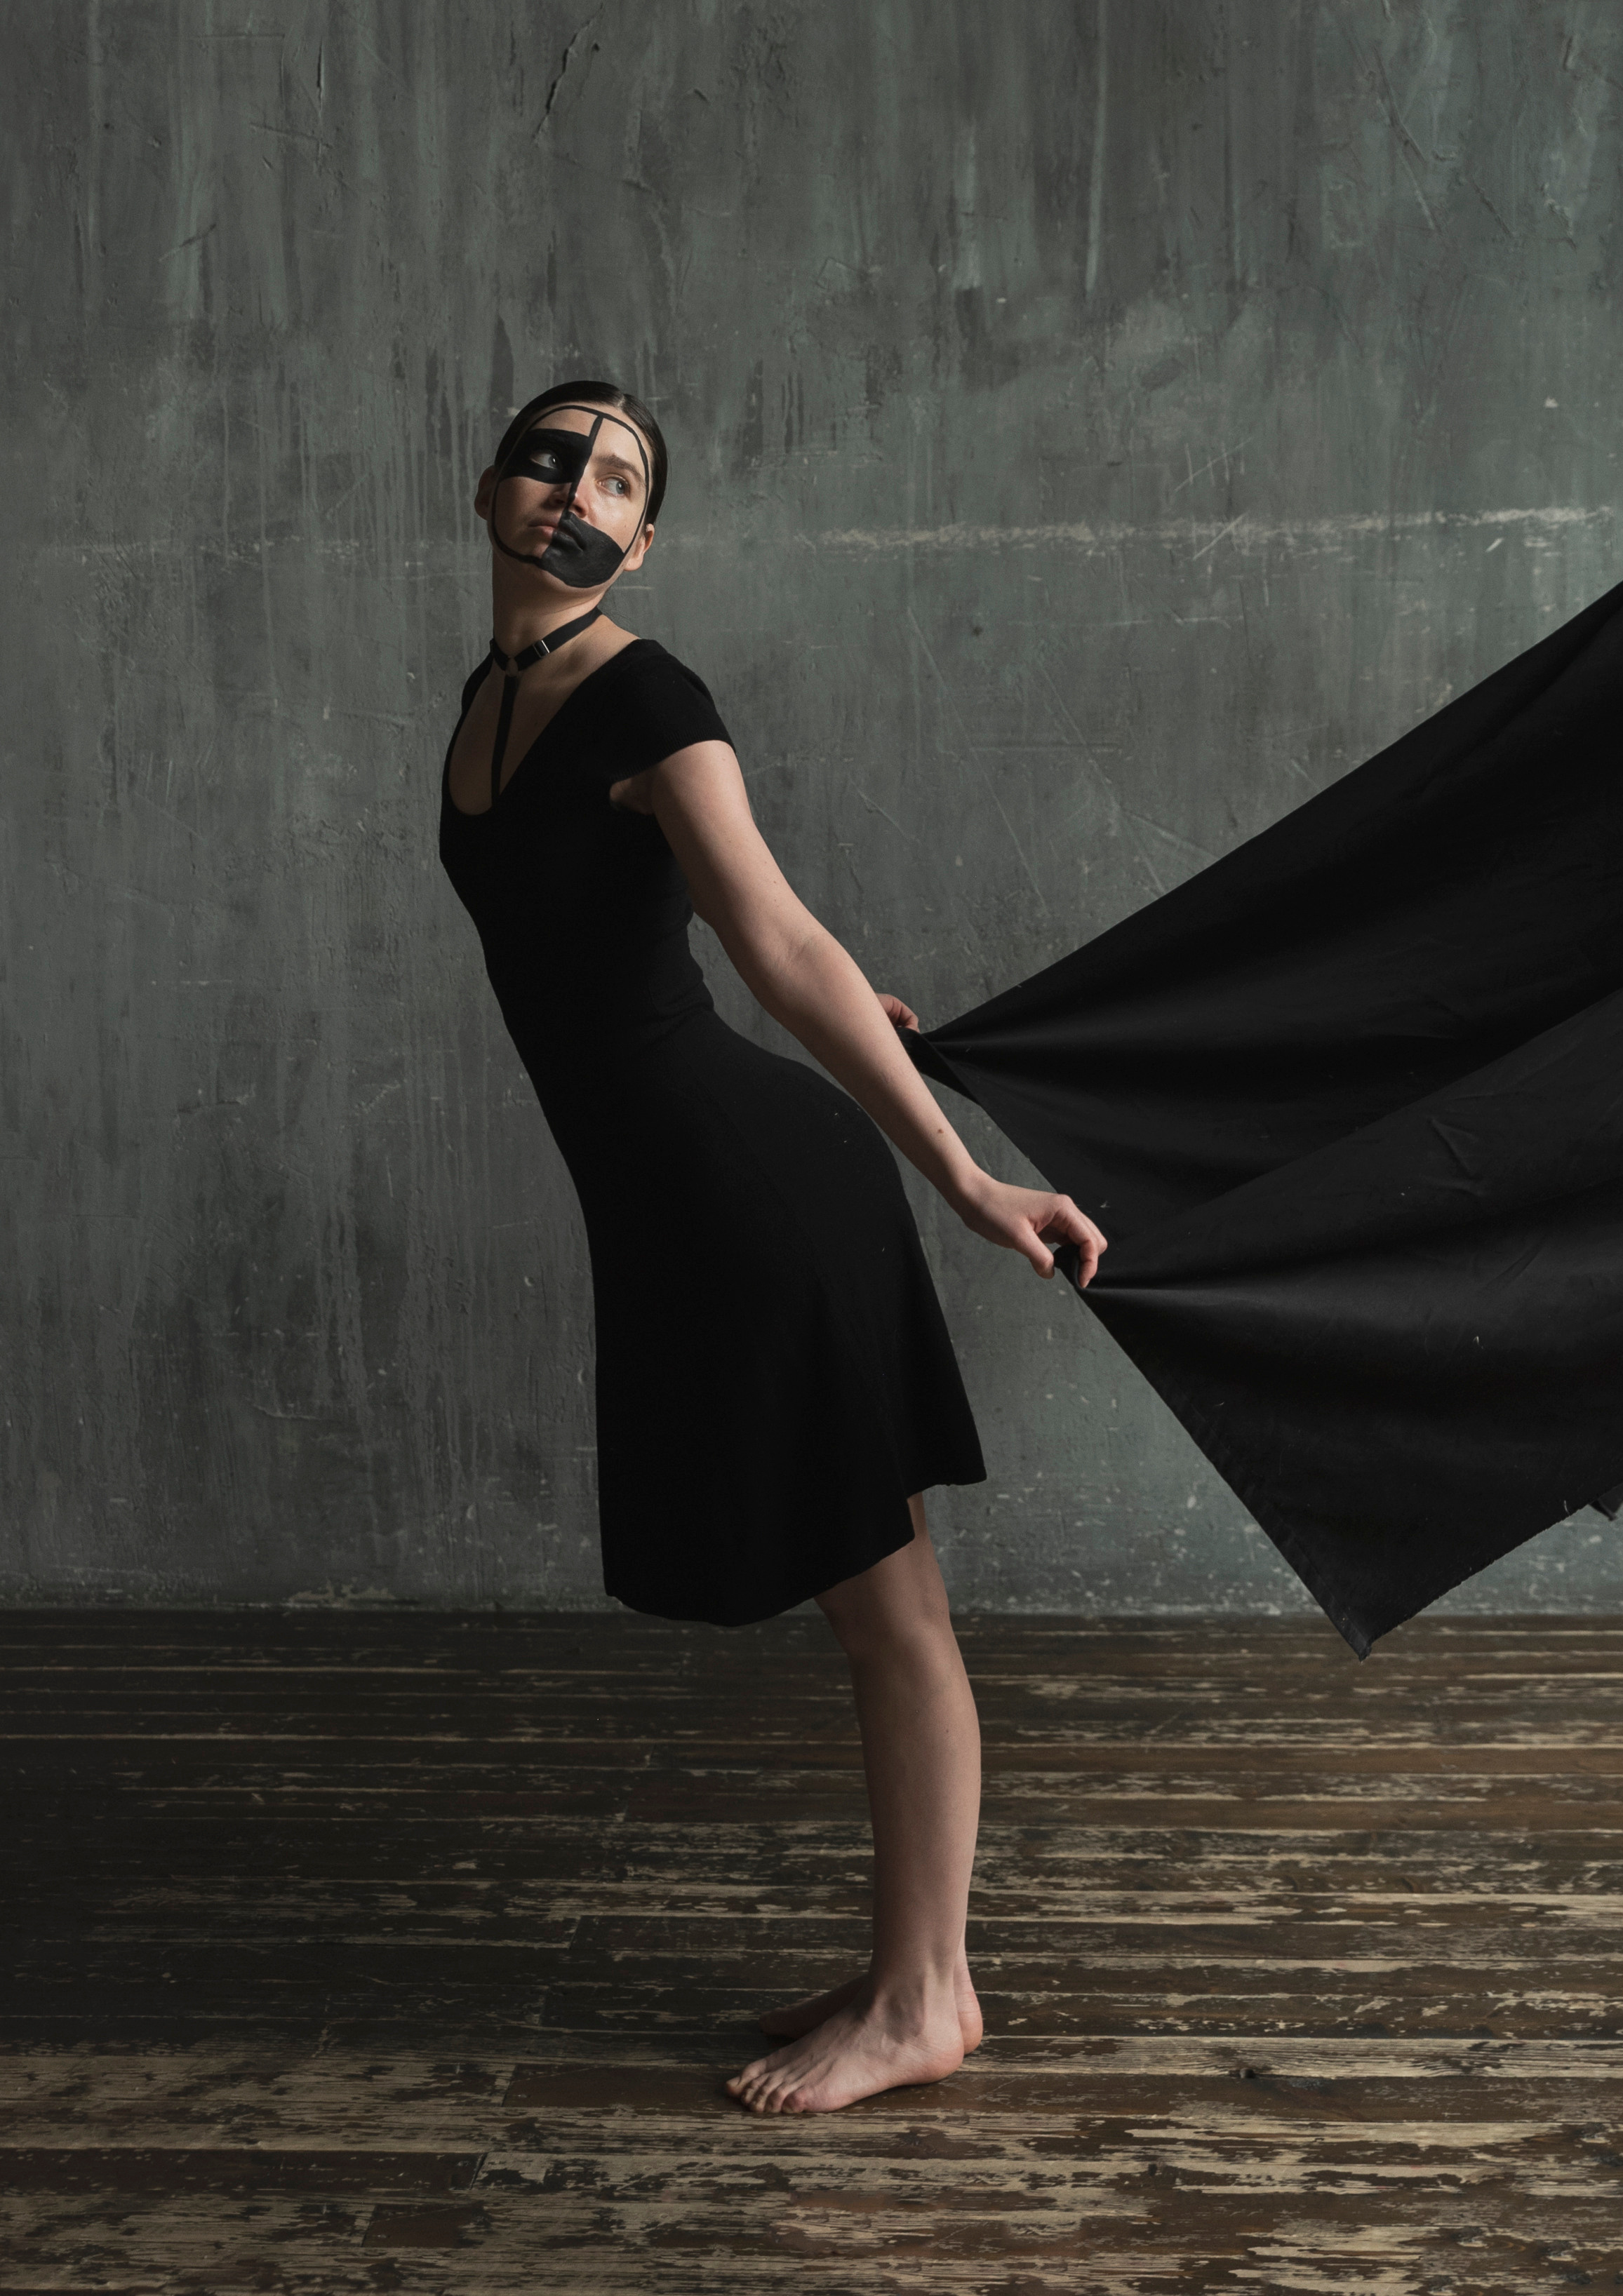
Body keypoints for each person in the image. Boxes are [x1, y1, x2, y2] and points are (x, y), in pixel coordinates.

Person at [438, 380, 1108, 2116]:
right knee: (868, 1598)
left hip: (752, 1200)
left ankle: (928, 1994)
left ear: (642, 540)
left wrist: (966, 1180)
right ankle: (914, 1956)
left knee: (889, 1606)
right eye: (551, 453)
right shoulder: (496, 694)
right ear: (493, 480)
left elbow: (779, 934)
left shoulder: (647, 691)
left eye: (617, 478)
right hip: (674, 1201)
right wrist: (846, 1009)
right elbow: (648, 927)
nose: (574, 489)